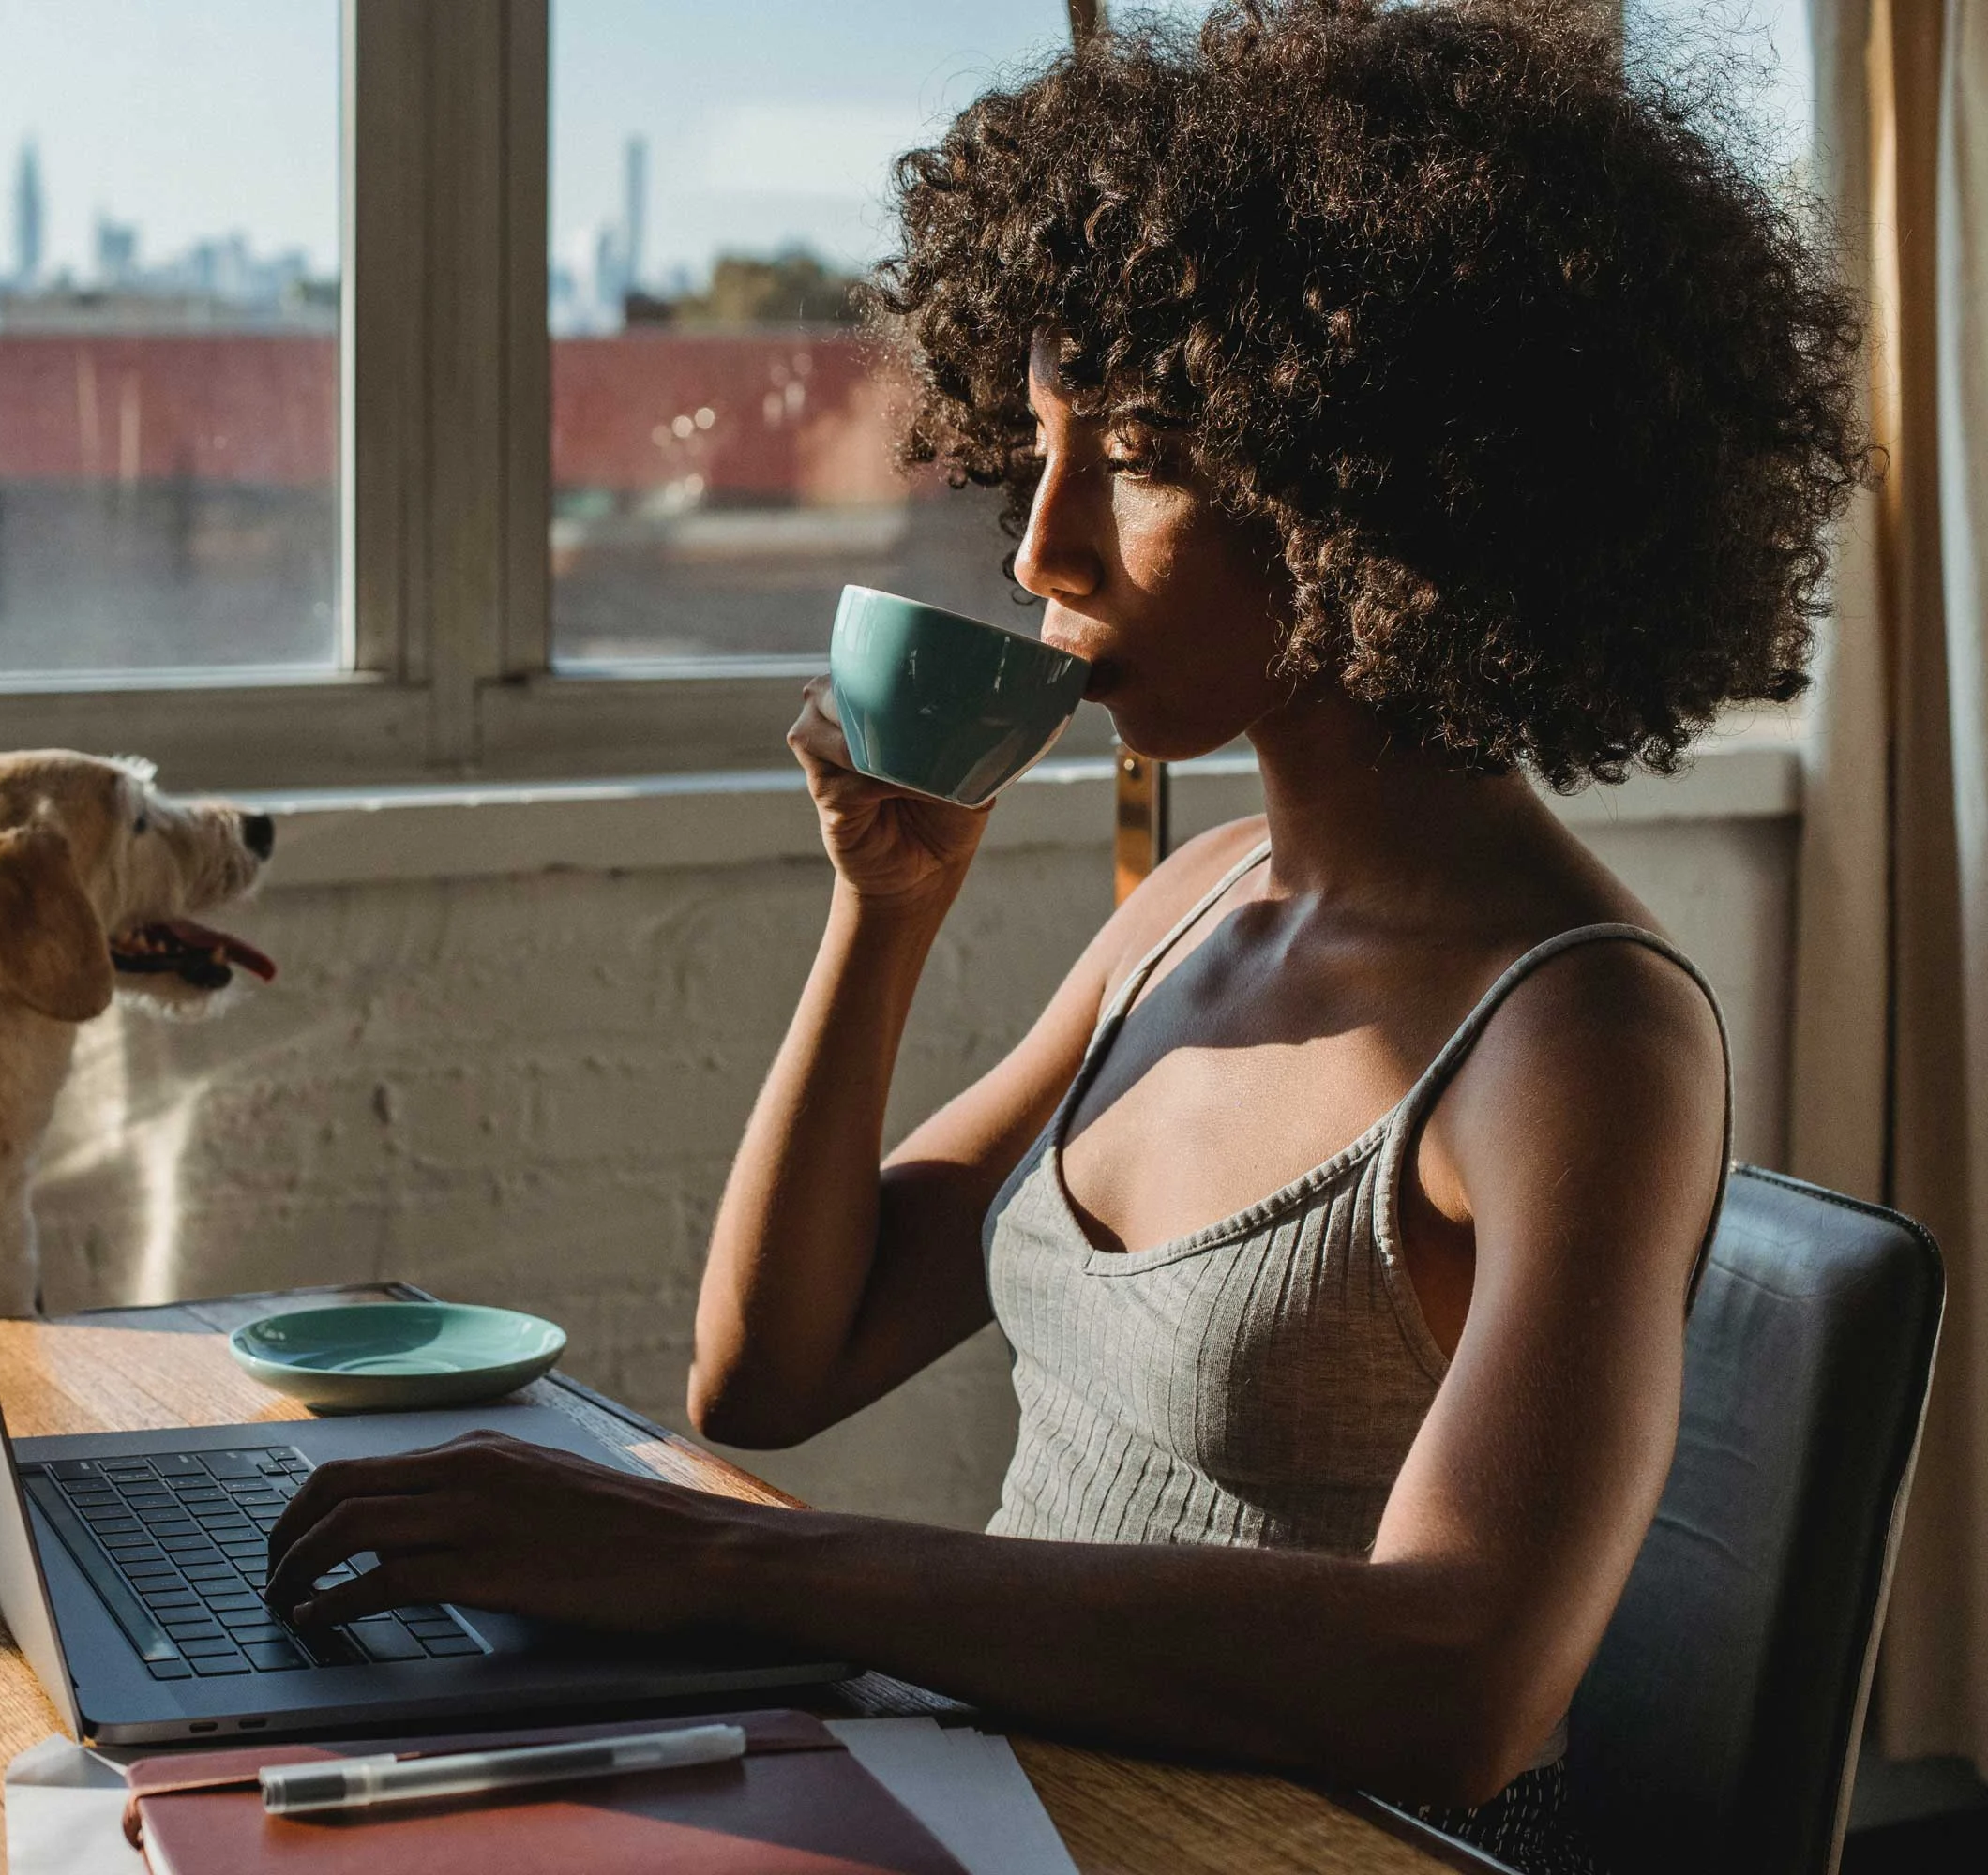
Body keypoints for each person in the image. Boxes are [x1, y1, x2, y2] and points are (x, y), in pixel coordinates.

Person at [265, 3, 1863, 1868]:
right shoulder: (1188, 910)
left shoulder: (1579, 1037)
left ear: (1381, 482)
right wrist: (887, 912)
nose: (1041, 547)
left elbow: (1465, 1681)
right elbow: (774, 1373)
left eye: (1140, 455)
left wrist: (740, 1566)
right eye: (1035, 450)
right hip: (1002, 1810)